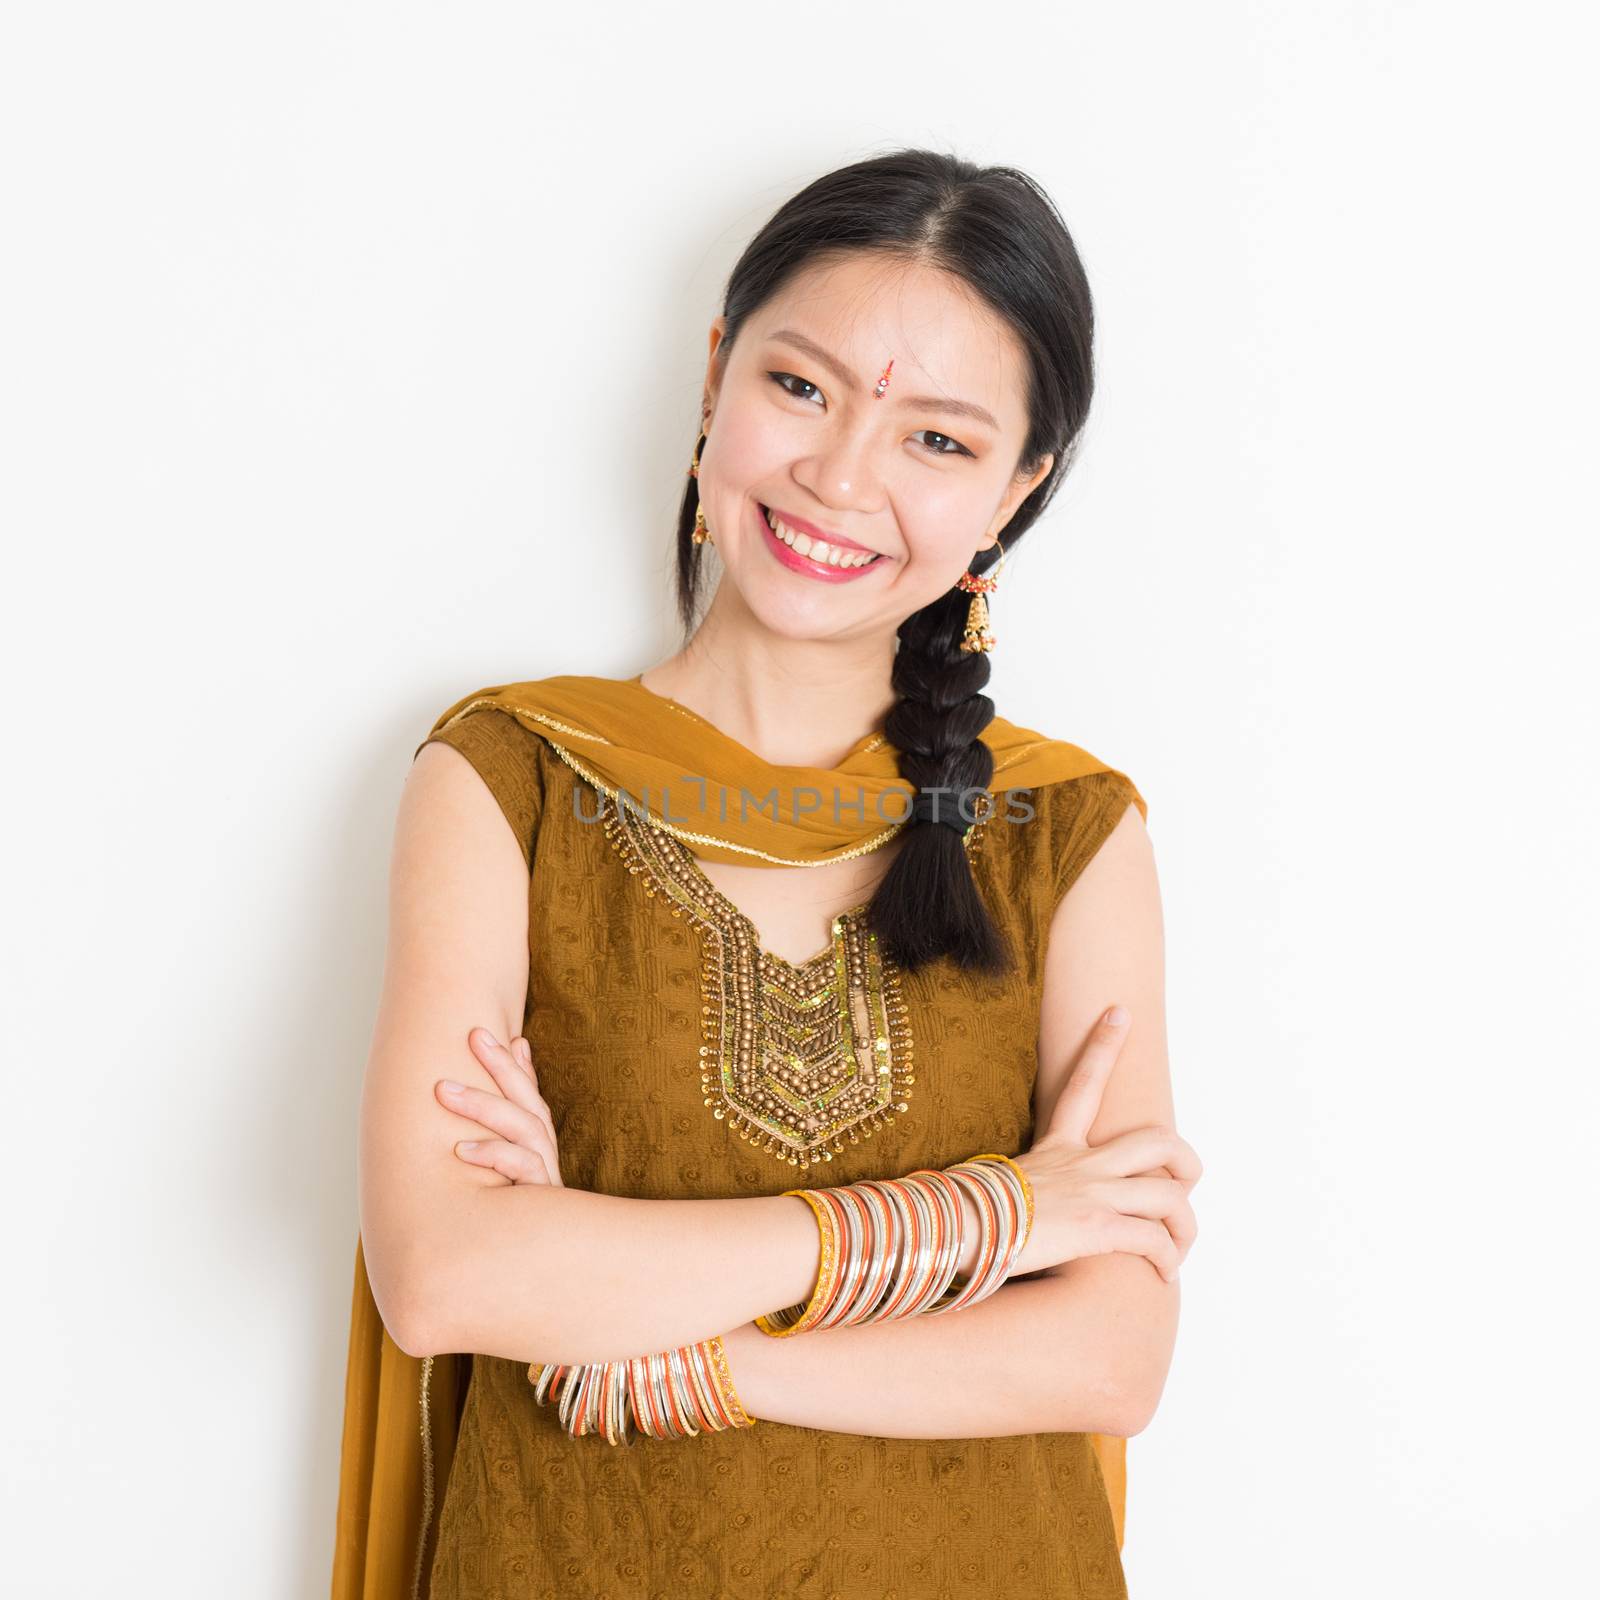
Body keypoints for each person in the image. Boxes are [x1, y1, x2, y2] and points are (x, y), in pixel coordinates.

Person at [331, 146, 1201, 1600]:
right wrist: (998, 1218)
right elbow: (447, 1276)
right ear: (718, 375)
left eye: (939, 439)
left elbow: (1110, 1354)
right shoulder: (512, 776)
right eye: (801, 387)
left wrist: (677, 1352)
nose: (842, 476)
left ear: (1016, 488)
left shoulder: (1069, 834)